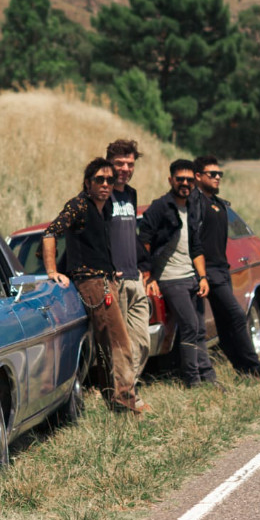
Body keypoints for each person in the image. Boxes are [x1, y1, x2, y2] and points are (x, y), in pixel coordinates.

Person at [43, 158, 143, 414]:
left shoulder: (104, 208)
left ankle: (115, 400)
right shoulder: (79, 205)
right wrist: (53, 271)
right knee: (120, 342)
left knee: (107, 344)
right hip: (92, 283)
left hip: (106, 279)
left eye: (109, 180)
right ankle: (127, 400)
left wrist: (112, 269)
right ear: (88, 183)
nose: (106, 184)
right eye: (100, 179)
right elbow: (50, 232)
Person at [192, 155, 260, 380]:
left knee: (225, 324)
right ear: (198, 176)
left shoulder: (218, 203)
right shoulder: (195, 202)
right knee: (236, 316)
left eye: (219, 174)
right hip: (209, 272)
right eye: (211, 174)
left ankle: (243, 370)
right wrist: (202, 273)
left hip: (223, 270)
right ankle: (255, 369)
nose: (217, 178)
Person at [138, 159, 220, 389]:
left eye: (189, 179)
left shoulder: (192, 207)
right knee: (191, 326)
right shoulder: (160, 207)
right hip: (170, 279)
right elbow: (143, 242)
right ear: (171, 180)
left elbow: (196, 247)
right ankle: (193, 380)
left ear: (194, 181)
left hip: (191, 276)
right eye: (180, 179)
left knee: (199, 328)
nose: (184, 183)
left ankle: (208, 377)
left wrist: (203, 277)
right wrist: (148, 275)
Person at [105, 139, 152, 383]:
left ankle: (126, 389)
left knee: (142, 341)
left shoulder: (131, 195)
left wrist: (144, 268)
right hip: (115, 279)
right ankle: (124, 394)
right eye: (120, 163)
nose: (125, 168)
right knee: (120, 344)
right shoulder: (101, 194)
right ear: (109, 164)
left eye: (130, 164)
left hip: (134, 277)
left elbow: (129, 235)